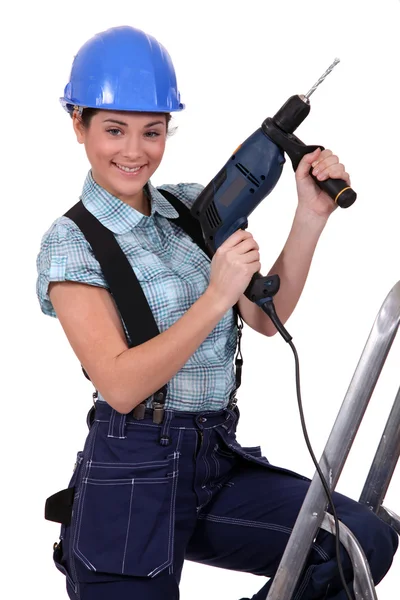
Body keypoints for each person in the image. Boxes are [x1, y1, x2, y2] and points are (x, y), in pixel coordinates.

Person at [36, 25, 398, 600]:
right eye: (113, 130)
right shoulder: (71, 241)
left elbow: (262, 316)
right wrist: (213, 298)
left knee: (362, 542)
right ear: (77, 124)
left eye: (151, 132)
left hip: (216, 460)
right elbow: (121, 386)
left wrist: (308, 218)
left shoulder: (190, 205)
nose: (134, 151)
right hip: (131, 471)